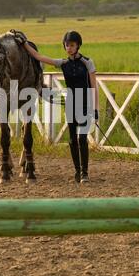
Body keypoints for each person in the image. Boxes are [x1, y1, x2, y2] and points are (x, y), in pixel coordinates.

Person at [12, 30, 99, 184]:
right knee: (72, 139)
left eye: (72, 45)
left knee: (82, 138)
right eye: (67, 45)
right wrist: (24, 43)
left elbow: (94, 87)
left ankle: (85, 172)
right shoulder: (63, 63)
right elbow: (39, 57)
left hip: (85, 102)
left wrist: (95, 109)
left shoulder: (87, 62)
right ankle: (77, 171)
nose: (69, 48)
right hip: (71, 102)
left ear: (78, 45)